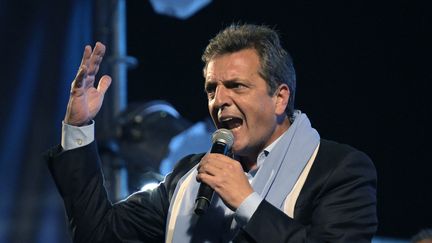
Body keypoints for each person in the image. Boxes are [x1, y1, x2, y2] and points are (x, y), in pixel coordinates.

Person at [45, 24, 378, 242]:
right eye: (211, 89)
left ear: (280, 97)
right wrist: (77, 128)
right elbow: (99, 233)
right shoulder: (188, 177)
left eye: (236, 86)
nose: (219, 101)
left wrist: (247, 201)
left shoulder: (339, 170)